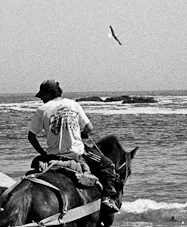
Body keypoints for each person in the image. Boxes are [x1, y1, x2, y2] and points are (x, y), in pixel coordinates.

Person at [27, 79, 121, 212]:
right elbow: (89, 127)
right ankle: (107, 198)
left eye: (42, 95)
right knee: (108, 165)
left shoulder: (42, 109)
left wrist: (43, 153)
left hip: (53, 156)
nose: (41, 98)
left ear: (49, 93)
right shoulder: (73, 105)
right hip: (77, 155)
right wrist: (80, 134)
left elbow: (31, 137)